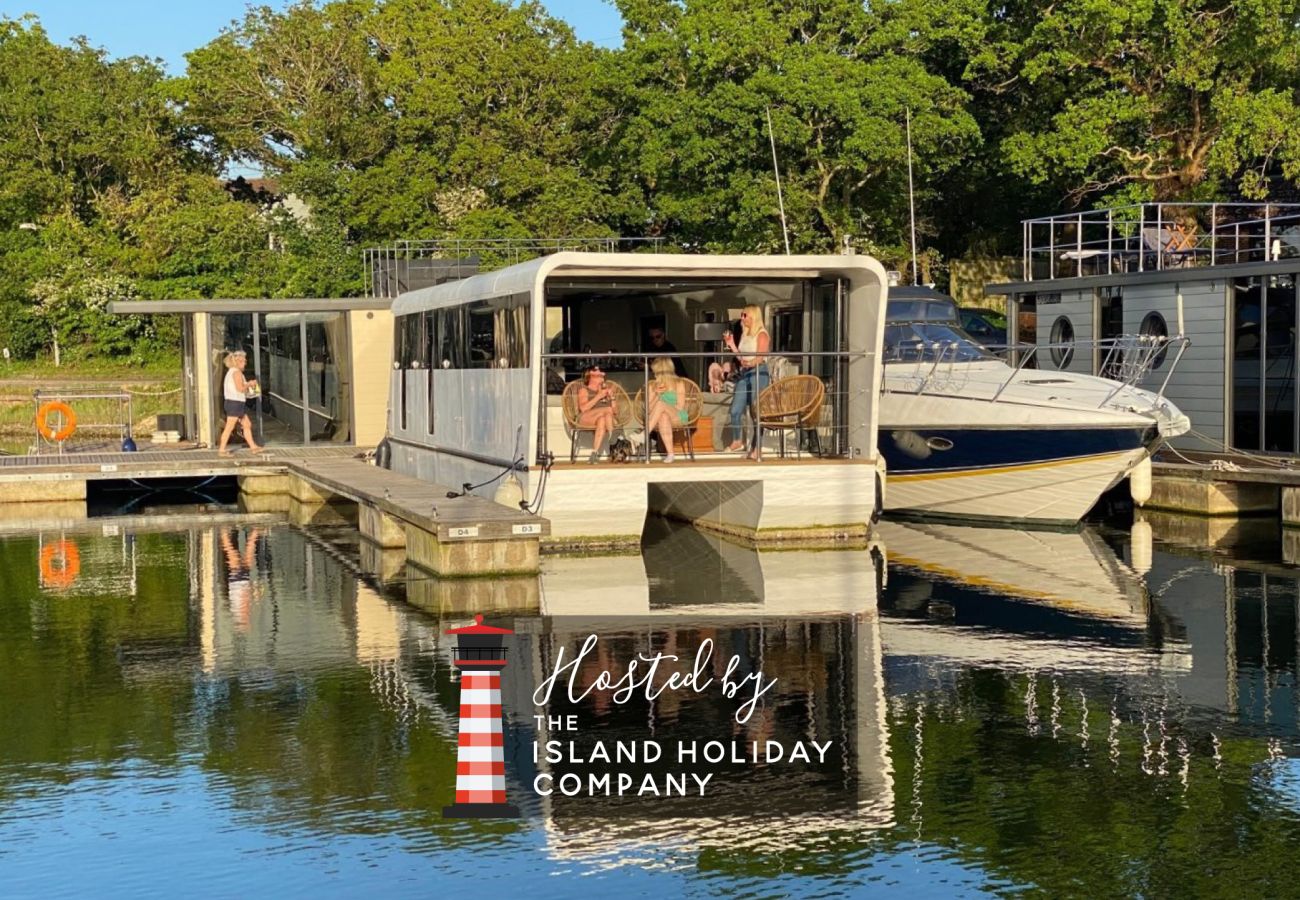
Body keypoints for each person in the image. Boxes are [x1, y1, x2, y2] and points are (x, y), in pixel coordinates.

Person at [724, 305, 771, 460]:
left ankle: (756, 449)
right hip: (745, 373)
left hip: (759, 372)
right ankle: (737, 440)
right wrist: (731, 344)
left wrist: (750, 363)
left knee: (755, 413)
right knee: (735, 410)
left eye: (745, 315)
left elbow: (760, 356)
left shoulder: (762, 334)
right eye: (742, 315)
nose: (742, 319)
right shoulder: (745, 334)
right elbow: (741, 357)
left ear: (753, 317)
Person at [217, 350, 264, 456]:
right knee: (230, 427)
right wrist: (250, 384)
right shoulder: (236, 373)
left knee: (247, 424)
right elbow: (240, 389)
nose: (245, 363)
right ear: (238, 362)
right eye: (244, 361)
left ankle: (253, 447)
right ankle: (221, 450)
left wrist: (247, 385)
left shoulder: (232, 372)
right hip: (235, 403)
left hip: (236, 403)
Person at [645, 356, 687, 463]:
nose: (653, 374)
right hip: (658, 418)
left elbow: (680, 406)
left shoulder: (679, 383)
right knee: (663, 416)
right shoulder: (652, 386)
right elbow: (648, 409)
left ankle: (644, 434)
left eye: (655, 371)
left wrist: (665, 406)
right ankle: (670, 454)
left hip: (677, 415)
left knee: (662, 405)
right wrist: (656, 394)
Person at [577, 365, 618, 462]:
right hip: (587, 417)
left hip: (603, 417)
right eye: (596, 371)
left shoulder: (607, 391)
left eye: (601, 371)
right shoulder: (584, 390)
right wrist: (598, 396)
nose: (600, 373)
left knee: (603, 419)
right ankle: (615, 437)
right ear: (589, 375)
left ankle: (594, 453)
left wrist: (612, 397)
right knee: (607, 410)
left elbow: (616, 412)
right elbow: (583, 408)